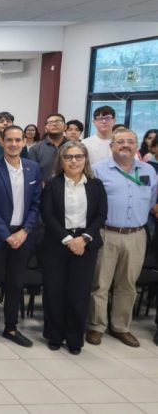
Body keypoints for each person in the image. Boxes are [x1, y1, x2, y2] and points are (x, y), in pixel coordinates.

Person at [87, 127, 158, 348]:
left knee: (127, 285)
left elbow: (151, 200)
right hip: (107, 233)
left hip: (136, 235)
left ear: (137, 146)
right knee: (100, 283)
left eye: (130, 141)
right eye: (120, 142)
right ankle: (96, 326)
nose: (125, 145)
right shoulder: (98, 170)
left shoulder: (148, 171)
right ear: (112, 146)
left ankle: (120, 327)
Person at [0, 125, 42, 348]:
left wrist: (24, 231)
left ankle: (11, 328)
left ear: (24, 142)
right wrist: (7, 235)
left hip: (23, 235)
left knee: (15, 284)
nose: (13, 144)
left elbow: (36, 204)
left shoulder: (33, 168)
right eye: (9, 140)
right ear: (1, 142)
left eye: (18, 140)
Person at [40, 141, 107, 355]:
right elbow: (47, 215)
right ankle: (54, 335)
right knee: (54, 292)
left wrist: (84, 239)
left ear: (85, 159)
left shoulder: (96, 185)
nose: (74, 161)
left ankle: (74, 338)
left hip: (85, 244)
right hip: (58, 243)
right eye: (69, 157)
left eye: (78, 156)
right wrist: (69, 240)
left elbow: (101, 215)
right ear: (62, 160)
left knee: (78, 294)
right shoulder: (52, 184)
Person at [29, 113, 68, 183]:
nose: (54, 124)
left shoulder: (74, 147)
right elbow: (32, 173)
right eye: (50, 122)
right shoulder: (35, 149)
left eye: (58, 121)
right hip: (44, 190)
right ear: (46, 128)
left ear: (65, 127)